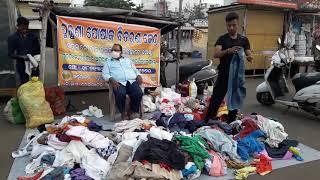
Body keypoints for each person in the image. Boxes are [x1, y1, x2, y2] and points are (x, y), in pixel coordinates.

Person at [205, 12, 253, 123]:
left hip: (237, 76)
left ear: (238, 24)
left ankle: (231, 122)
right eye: (229, 25)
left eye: (234, 25)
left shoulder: (243, 40)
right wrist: (228, 51)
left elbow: (249, 53)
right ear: (226, 25)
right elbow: (216, 54)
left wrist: (250, 57)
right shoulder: (222, 39)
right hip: (224, 74)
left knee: (235, 99)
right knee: (217, 98)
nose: (231, 27)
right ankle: (208, 120)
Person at [102, 44, 143, 119]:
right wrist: (111, 79)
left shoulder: (127, 60)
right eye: (112, 50)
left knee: (138, 93)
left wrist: (138, 75)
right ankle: (123, 112)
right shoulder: (108, 62)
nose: (113, 52)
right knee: (120, 94)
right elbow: (105, 74)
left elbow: (135, 70)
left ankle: (131, 110)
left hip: (131, 81)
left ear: (121, 52)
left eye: (116, 50)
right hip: (118, 83)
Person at [8, 16, 40, 85]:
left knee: (35, 82)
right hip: (21, 64)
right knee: (24, 83)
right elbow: (10, 54)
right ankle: (25, 95)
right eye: (23, 27)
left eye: (26, 27)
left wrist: (34, 58)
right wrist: (22, 57)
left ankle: (35, 95)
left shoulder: (33, 37)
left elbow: (38, 50)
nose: (25, 29)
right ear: (18, 26)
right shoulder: (12, 38)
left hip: (33, 63)